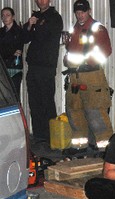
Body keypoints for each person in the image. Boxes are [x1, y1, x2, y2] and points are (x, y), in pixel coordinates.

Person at [63, 0, 113, 148]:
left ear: (89, 11)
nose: (80, 15)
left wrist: (89, 61)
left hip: (92, 76)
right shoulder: (74, 29)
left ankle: (105, 148)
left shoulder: (98, 29)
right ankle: (80, 146)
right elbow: (72, 49)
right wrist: (68, 59)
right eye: (77, 12)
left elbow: (106, 51)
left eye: (83, 12)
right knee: (74, 110)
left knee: (95, 111)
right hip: (75, 77)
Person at [22, 0, 63, 144]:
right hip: (33, 65)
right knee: (34, 102)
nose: (41, 1)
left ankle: (51, 136)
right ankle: (39, 135)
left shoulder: (54, 17)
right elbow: (25, 38)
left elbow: (44, 35)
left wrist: (35, 26)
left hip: (46, 66)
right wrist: (29, 25)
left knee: (47, 102)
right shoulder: (35, 17)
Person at [0, 7, 24, 98]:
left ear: (13, 17)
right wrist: (10, 51)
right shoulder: (1, 32)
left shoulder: (19, 31)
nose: (5, 18)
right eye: (3, 16)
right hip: (2, 68)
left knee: (14, 96)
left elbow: (17, 49)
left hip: (14, 68)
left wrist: (7, 51)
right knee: (3, 97)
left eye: (8, 15)